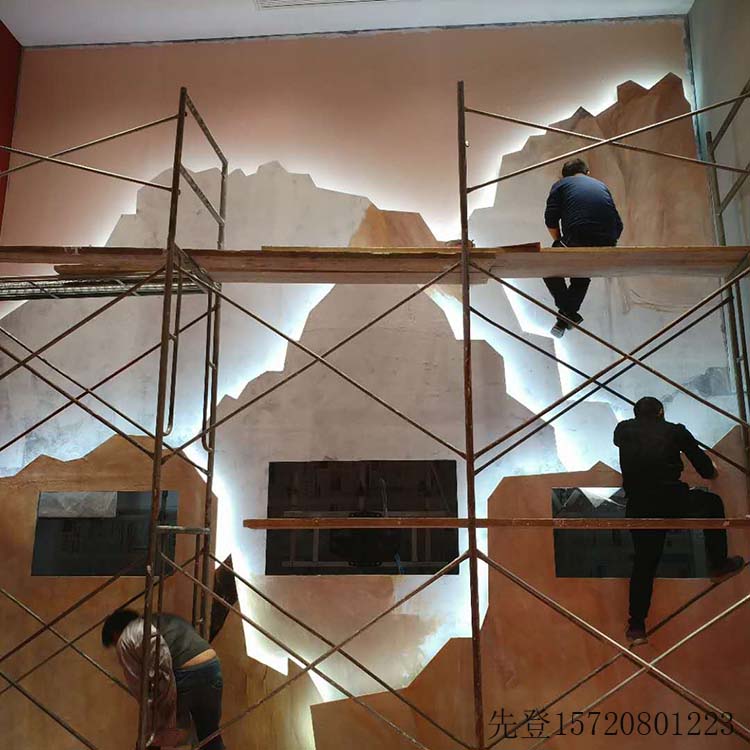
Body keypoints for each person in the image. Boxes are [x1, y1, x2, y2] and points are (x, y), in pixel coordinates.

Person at [613, 397, 745, 646]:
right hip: (672, 499)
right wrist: (713, 472)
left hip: (640, 506)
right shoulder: (675, 431)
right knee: (712, 504)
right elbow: (703, 467)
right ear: (661, 412)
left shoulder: (623, 430)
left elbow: (624, 443)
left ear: (635, 414)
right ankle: (718, 564)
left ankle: (636, 626)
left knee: (644, 564)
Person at [102, 609, 225, 749]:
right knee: (209, 735)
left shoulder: (127, 637)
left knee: (153, 737)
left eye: (114, 642)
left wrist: (156, 716)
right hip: (212, 666)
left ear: (115, 633)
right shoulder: (160, 620)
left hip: (184, 672)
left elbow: (144, 687)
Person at [543, 158, 623, 338]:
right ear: (587, 172)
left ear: (564, 175)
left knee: (547, 267)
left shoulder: (561, 185)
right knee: (581, 273)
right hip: (609, 241)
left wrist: (560, 241)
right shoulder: (601, 186)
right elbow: (618, 224)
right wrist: (608, 241)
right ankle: (565, 318)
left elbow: (550, 219)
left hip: (579, 236)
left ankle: (568, 313)